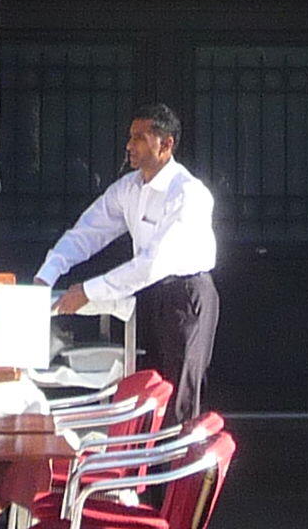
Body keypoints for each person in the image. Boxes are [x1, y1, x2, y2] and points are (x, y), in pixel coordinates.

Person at [36, 103, 221, 422]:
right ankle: (143, 466)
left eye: (139, 138)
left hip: (186, 296)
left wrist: (91, 292)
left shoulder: (189, 193)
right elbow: (87, 233)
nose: (129, 145)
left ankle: (179, 470)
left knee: (181, 395)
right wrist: (47, 275)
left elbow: (154, 263)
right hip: (149, 296)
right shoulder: (129, 188)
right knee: (148, 391)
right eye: (130, 137)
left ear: (165, 144)